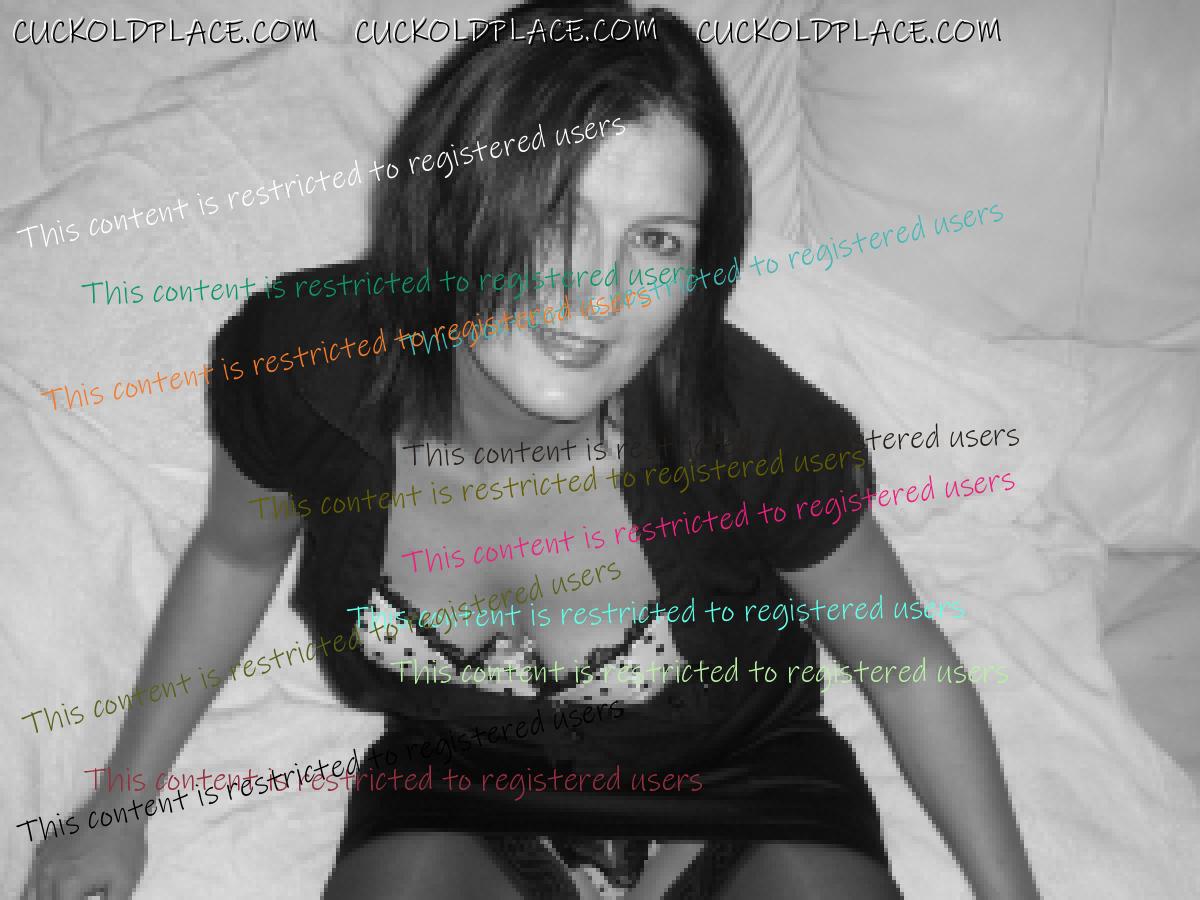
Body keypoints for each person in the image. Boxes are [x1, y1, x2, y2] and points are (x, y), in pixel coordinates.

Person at [23, 3, 1040, 898]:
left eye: (656, 240)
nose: (598, 292)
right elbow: (235, 554)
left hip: (743, 783)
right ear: (453, 203)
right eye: (558, 214)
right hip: (458, 787)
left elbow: (903, 656)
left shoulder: (753, 430)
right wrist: (120, 803)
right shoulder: (305, 370)